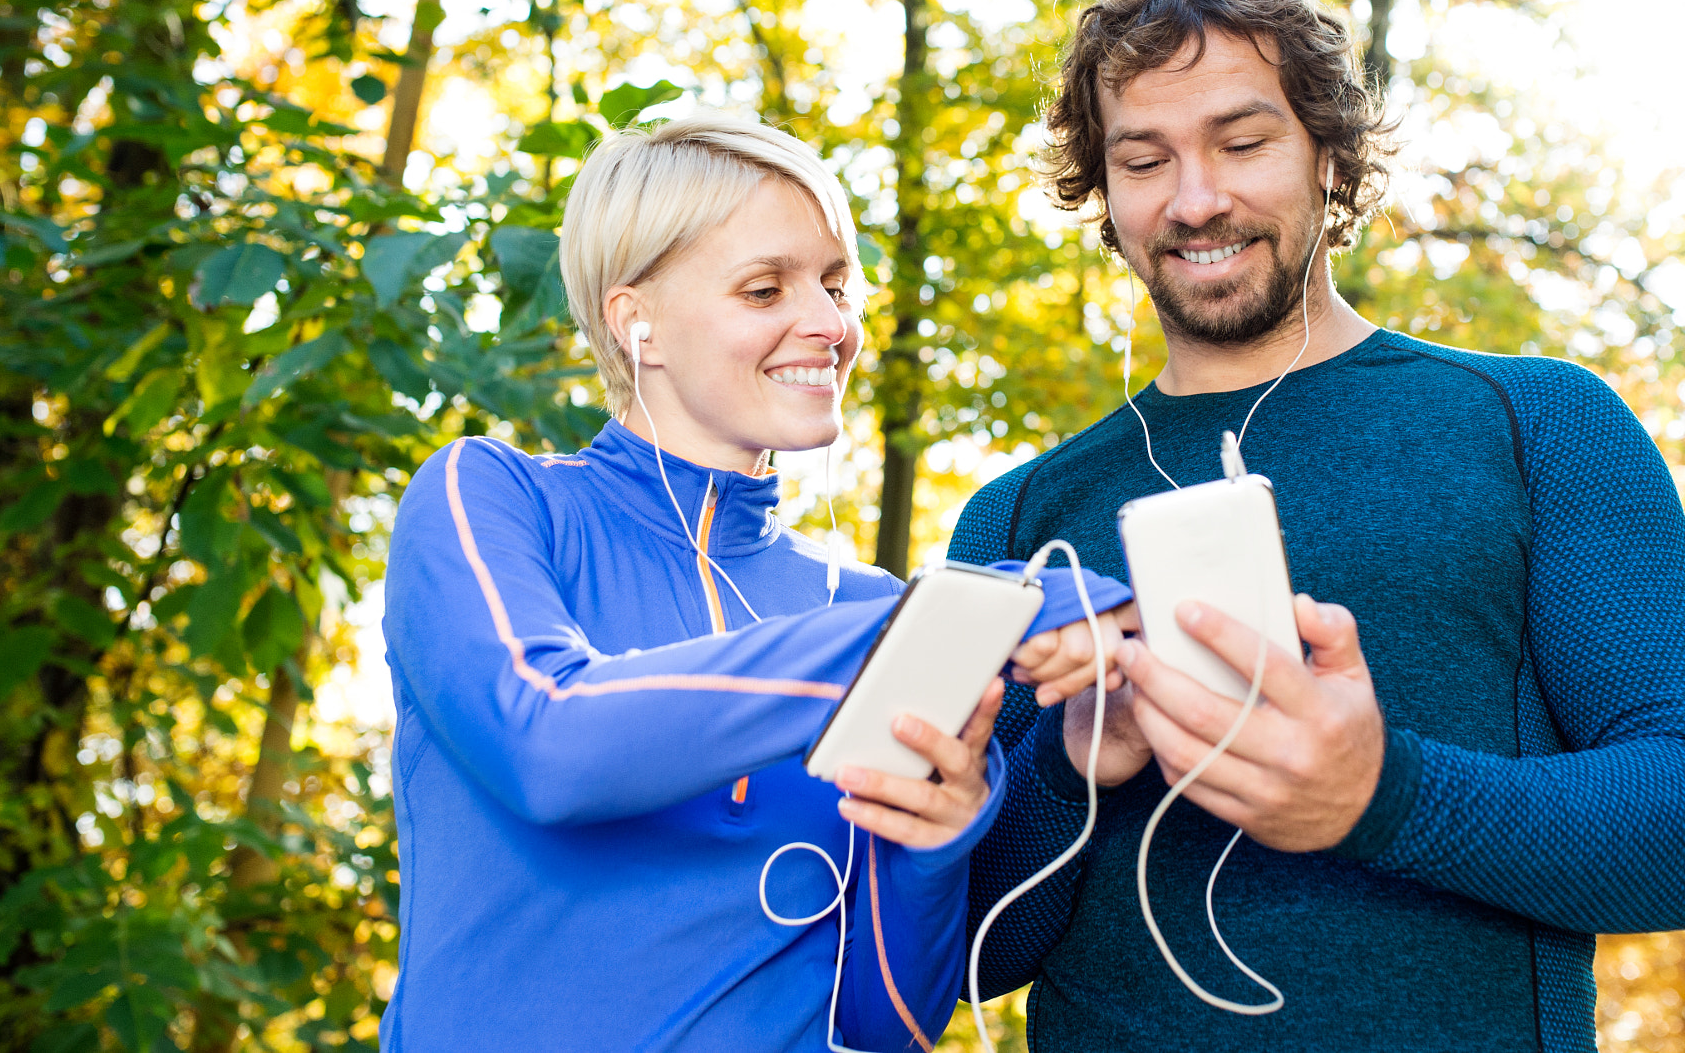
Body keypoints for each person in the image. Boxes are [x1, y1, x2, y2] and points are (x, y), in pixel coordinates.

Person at [953, 0, 1685, 1052]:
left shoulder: (1537, 423)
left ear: (1326, 152)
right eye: (1144, 159)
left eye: (1242, 144)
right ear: (1105, 193)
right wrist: (1070, 767)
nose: (1196, 198)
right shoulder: (1016, 518)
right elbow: (971, 951)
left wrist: (1382, 795)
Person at [379, 113, 1128, 1052]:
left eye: (835, 283)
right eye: (766, 287)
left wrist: (937, 843)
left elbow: (885, 1021)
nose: (829, 324)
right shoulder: (491, 498)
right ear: (634, 319)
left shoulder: (858, 604)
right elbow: (549, 742)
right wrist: (947, 623)